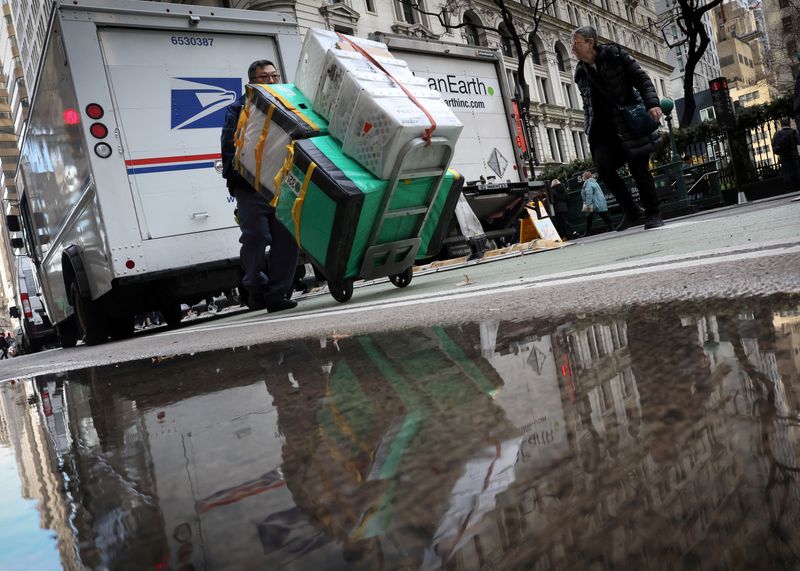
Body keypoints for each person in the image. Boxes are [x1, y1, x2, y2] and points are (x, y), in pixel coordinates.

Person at [221, 60, 299, 312]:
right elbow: (229, 145)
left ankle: (277, 295)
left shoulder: (290, 103)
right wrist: (234, 181)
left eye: (275, 75)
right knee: (256, 235)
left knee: (288, 240)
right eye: (265, 77)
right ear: (252, 81)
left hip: (284, 184)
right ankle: (255, 284)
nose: (272, 80)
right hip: (250, 185)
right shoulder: (239, 108)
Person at [572, 26, 664, 231]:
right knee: (603, 168)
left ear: (590, 42)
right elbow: (587, 105)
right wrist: (588, 128)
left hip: (629, 123)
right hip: (604, 131)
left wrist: (652, 103)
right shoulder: (581, 72)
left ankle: (653, 212)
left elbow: (641, 78)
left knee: (639, 168)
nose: (572, 48)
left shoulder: (616, 55)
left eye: (576, 43)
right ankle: (633, 211)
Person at [771, 117, 800, 192]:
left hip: (783, 156)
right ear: (789, 123)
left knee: (786, 173)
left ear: (781, 124)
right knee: (797, 170)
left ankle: (789, 189)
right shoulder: (793, 131)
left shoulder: (778, 134)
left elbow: (774, 144)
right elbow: (798, 141)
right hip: (794, 155)